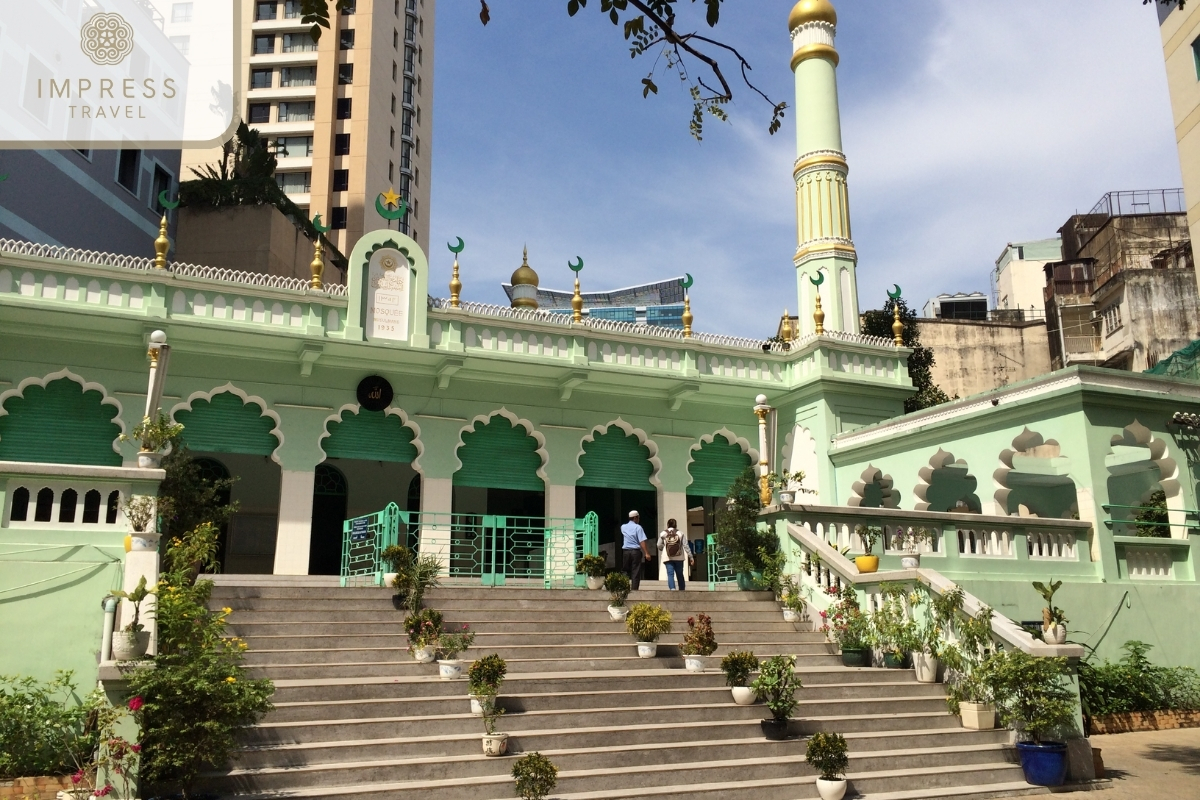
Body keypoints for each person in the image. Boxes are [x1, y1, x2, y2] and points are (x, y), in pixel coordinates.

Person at [657, 518, 693, 591]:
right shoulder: (680, 533)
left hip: (668, 557)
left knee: (670, 574)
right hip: (679, 557)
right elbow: (686, 546)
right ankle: (682, 590)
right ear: (676, 525)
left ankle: (672, 589)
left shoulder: (663, 533)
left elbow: (658, 544)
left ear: (668, 525)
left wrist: (663, 549)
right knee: (679, 574)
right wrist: (691, 557)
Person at [620, 510, 651, 590]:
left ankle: (623, 587)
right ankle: (634, 590)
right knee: (635, 571)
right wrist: (646, 553)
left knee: (625, 570)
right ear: (635, 518)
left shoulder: (623, 527)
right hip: (635, 552)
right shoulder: (638, 527)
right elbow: (642, 541)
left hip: (626, 551)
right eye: (638, 518)